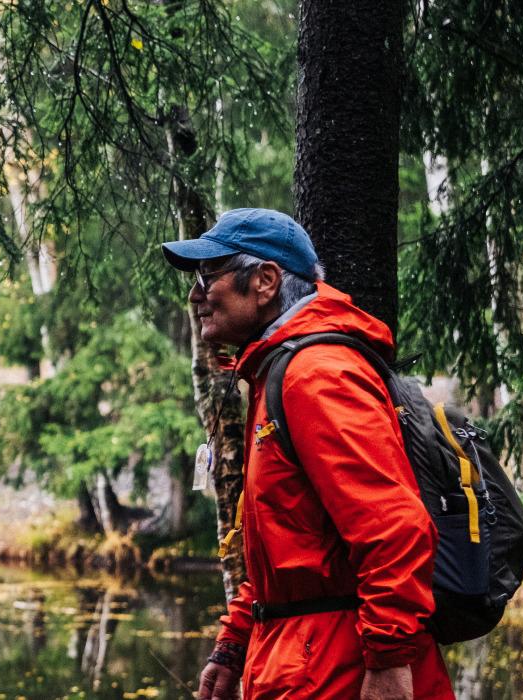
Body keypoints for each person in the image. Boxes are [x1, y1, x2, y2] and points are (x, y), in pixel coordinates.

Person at [166, 208, 451, 700]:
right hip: (304, 661)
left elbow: (394, 527)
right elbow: (289, 550)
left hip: (338, 669)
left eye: (207, 275)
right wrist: (233, 644)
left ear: (265, 281)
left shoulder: (316, 376)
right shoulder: (278, 372)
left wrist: (388, 666)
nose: (195, 294)